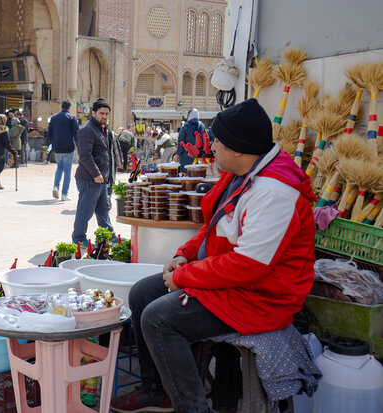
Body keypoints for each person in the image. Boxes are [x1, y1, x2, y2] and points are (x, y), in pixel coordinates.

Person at [110, 99, 316, 413]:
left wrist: (184, 276)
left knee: (159, 318)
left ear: (237, 148)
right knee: (141, 294)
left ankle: (192, 408)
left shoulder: (274, 192)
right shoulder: (241, 174)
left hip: (259, 296)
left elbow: (249, 266)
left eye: (217, 140)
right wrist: (184, 255)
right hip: (231, 282)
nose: (212, 145)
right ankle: (157, 390)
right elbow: (213, 226)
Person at [72, 98, 115, 244]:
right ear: (93, 113)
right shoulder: (87, 130)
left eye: (107, 114)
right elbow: (85, 155)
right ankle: (79, 238)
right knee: (85, 211)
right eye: (102, 113)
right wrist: (96, 174)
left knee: (103, 209)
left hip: (101, 179)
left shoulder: (101, 129)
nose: (104, 116)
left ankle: (108, 235)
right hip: (90, 178)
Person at [47, 100, 79, 201]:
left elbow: (49, 132)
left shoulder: (54, 118)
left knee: (59, 168)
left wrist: (51, 144)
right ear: (69, 107)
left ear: (61, 107)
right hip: (68, 148)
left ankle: (55, 186)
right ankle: (64, 194)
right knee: (67, 171)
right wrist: (79, 146)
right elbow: (76, 133)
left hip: (57, 148)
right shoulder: (72, 118)